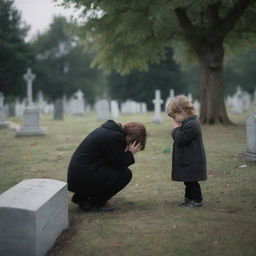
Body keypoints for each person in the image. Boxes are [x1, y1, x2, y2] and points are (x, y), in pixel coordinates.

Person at [67, 119, 147, 212]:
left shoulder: (110, 132)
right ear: (131, 138)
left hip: (79, 176)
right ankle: (94, 204)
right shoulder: (115, 137)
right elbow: (120, 165)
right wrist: (130, 153)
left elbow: (112, 162)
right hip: (83, 176)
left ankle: (81, 198)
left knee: (112, 172)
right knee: (125, 175)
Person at [167, 95, 207, 207]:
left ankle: (197, 200)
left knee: (192, 181)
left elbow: (180, 139)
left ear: (183, 112)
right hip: (188, 159)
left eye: (174, 116)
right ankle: (188, 198)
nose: (174, 120)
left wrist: (175, 129)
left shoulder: (192, 125)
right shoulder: (187, 123)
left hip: (193, 159)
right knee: (187, 181)